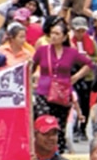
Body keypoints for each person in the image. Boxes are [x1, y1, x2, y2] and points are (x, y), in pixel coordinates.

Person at [31, 19, 93, 152]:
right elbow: (30, 66)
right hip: (43, 92)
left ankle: (57, 153)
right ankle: (40, 151)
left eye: (57, 34)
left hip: (63, 94)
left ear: (64, 37)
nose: (53, 36)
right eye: (52, 33)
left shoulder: (71, 52)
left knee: (59, 126)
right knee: (43, 121)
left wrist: (76, 77)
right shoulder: (42, 50)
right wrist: (31, 81)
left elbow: (89, 64)